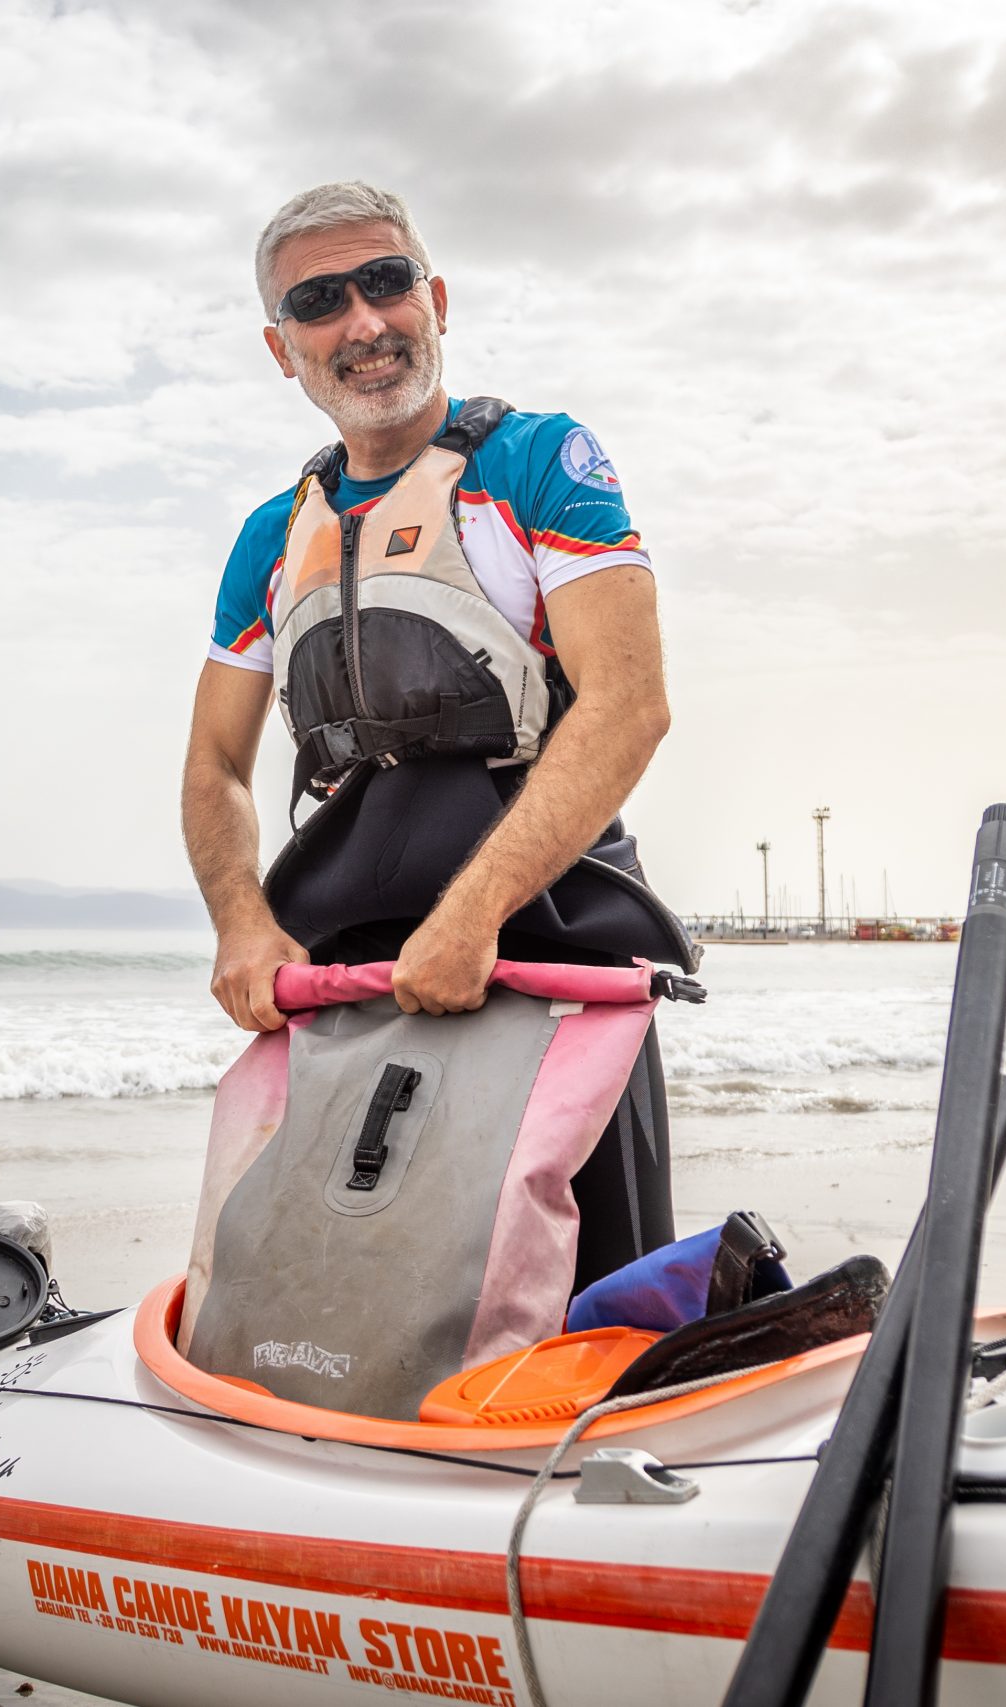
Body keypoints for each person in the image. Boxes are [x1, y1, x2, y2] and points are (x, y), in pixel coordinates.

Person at [180, 181, 689, 1291]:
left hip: (550, 952)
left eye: (385, 282)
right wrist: (242, 926)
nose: (362, 323)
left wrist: (473, 919)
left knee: (577, 1295)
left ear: (436, 298)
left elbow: (627, 704)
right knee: (346, 1300)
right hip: (350, 978)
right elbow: (216, 765)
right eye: (320, 301)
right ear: (283, 348)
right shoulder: (273, 535)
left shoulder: (537, 463)